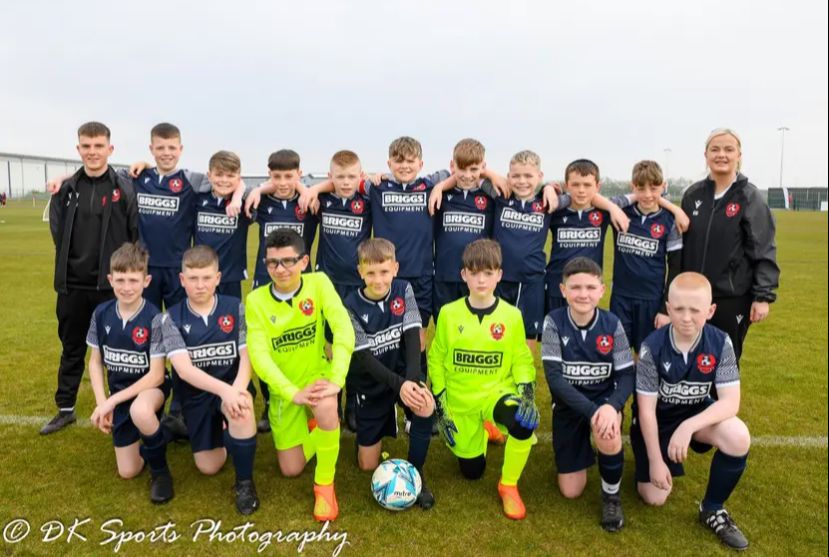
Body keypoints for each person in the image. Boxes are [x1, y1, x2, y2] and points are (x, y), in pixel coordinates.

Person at [631, 272, 751, 550]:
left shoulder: (721, 342)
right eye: (679, 309)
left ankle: (712, 509)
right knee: (654, 497)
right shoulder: (652, 347)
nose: (687, 317)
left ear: (710, 311)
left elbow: (730, 403)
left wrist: (687, 427)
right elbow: (646, 411)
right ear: (668, 307)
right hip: (657, 422)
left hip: (695, 418)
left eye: (695, 310)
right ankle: (652, 461)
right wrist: (656, 461)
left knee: (738, 435)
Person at [245, 229, 355, 522]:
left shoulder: (319, 284)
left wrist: (336, 380)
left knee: (328, 405)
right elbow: (259, 356)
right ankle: (320, 427)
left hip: (317, 376)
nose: (280, 270)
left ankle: (325, 485)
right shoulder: (256, 301)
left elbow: (344, 330)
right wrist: (291, 392)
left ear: (304, 261)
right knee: (291, 469)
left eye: (288, 261)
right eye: (272, 263)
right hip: (286, 391)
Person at [428, 239, 539, 520]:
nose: (481, 280)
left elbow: (521, 360)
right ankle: (486, 428)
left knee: (524, 421)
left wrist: (527, 393)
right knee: (472, 472)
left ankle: (508, 485)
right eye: (474, 272)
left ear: (499, 275)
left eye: (488, 273)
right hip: (461, 401)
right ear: (463, 274)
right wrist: (441, 405)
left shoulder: (512, 316)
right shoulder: (448, 314)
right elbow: (436, 359)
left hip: (496, 393)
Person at [43, 121, 139, 435]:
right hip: (72, 285)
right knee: (71, 347)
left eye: (99, 146)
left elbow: (134, 233)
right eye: (87, 146)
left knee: (116, 351)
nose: (93, 152)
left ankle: (122, 407)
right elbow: (57, 232)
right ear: (79, 149)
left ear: (110, 149)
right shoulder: (66, 189)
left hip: (111, 287)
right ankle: (65, 408)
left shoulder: (123, 187)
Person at [158, 245, 260, 515]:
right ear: (182, 280)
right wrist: (225, 391)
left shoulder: (235, 307)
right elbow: (184, 370)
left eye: (206, 278)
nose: (200, 285)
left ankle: (245, 483)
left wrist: (236, 391)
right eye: (193, 278)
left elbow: (246, 356)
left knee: (242, 407)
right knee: (209, 467)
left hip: (232, 386)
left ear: (218, 278)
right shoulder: (171, 318)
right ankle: (218, 432)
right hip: (197, 396)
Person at [665, 128, 779, 363]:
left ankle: (725, 401)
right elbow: (679, 247)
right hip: (693, 297)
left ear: (739, 155)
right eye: (715, 149)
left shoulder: (749, 196)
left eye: (729, 149)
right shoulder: (693, 194)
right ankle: (694, 401)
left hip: (731, 297)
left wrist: (763, 296)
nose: (722, 155)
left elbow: (764, 248)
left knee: (725, 359)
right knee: (689, 356)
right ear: (706, 155)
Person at [541, 257, 634, 532]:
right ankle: (586, 448)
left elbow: (627, 375)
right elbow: (555, 380)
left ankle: (611, 495)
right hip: (570, 406)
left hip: (603, 404)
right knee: (571, 491)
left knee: (607, 431)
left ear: (602, 290)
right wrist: (592, 411)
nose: (583, 294)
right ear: (563, 289)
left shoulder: (612, 323)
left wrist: (611, 406)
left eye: (591, 287)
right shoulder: (553, 322)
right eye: (576, 287)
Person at [344, 238, 436, 508]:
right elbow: (364, 358)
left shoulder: (404, 289)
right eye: (370, 272)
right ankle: (367, 434)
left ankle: (415, 475)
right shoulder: (350, 305)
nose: (378, 279)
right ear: (360, 272)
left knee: (425, 405)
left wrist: (412, 382)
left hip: (401, 372)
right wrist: (400, 384)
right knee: (367, 465)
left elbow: (412, 339)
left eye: (384, 271)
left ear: (395, 268)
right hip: (370, 383)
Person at [86, 242, 172, 503]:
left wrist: (111, 401)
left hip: (150, 390)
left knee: (141, 411)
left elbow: (157, 375)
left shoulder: (155, 317)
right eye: (120, 279)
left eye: (133, 280)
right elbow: (94, 362)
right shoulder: (101, 314)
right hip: (120, 395)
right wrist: (103, 403)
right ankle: (162, 433)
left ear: (146, 281)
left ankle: (161, 474)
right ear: (110, 279)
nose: (126, 287)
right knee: (128, 471)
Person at [242, 149, 320, 433]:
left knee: (304, 348)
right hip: (266, 284)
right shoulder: (262, 201)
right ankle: (271, 401)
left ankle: (315, 402)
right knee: (266, 349)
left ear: (299, 174)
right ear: (269, 175)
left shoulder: (310, 201)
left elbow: (339, 185)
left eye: (289, 176)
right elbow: (235, 189)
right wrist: (259, 189)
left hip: (302, 287)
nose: (283, 181)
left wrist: (306, 188)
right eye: (277, 176)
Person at [610, 161, 683, 352]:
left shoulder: (669, 221)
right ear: (632, 187)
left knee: (646, 355)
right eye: (640, 188)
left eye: (654, 188)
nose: (648, 194)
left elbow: (675, 267)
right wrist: (634, 197)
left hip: (651, 299)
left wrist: (665, 309)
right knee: (619, 353)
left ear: (663, 186)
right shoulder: (621, 213)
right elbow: (606, 202)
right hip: (621, 297)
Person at [193, 150, 253, 300]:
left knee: (230, 321)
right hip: (201, 276)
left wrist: (238, 197)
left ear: (239, 178)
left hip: (231, 277)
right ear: (209, 175)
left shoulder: (247, 202)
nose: (224, 180)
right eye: (219, 175)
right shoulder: (196, 198)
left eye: (230, 176)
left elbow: (270, 185)